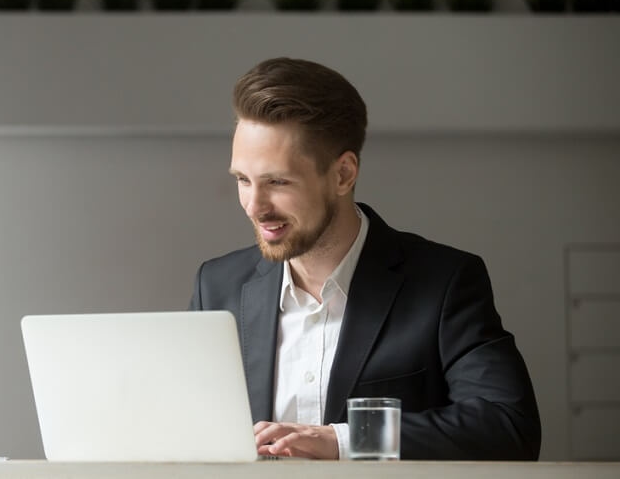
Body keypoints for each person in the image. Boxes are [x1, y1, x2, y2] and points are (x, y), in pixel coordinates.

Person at [188, 57, 541, 460]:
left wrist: (342, 440)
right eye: (243, 180)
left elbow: (509, 426)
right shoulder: (216, 286)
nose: (254, 206)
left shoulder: (445, 282)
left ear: (343, 174)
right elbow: (179, 424)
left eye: (278, 182)